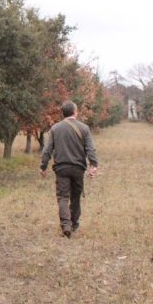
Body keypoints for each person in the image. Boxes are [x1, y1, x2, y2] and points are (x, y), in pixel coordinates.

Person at [40, 100, 99, 238]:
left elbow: (47, 150)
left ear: (62, 113)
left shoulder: (55, 128)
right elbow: (90, 148)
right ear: (75, 112)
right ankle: (74, 224)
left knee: (62, 197)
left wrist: (43, 166)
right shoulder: (84, 128)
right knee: (76, 197)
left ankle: (66, 225)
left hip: (61, 168)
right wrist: (93, 165)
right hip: (78, 168)